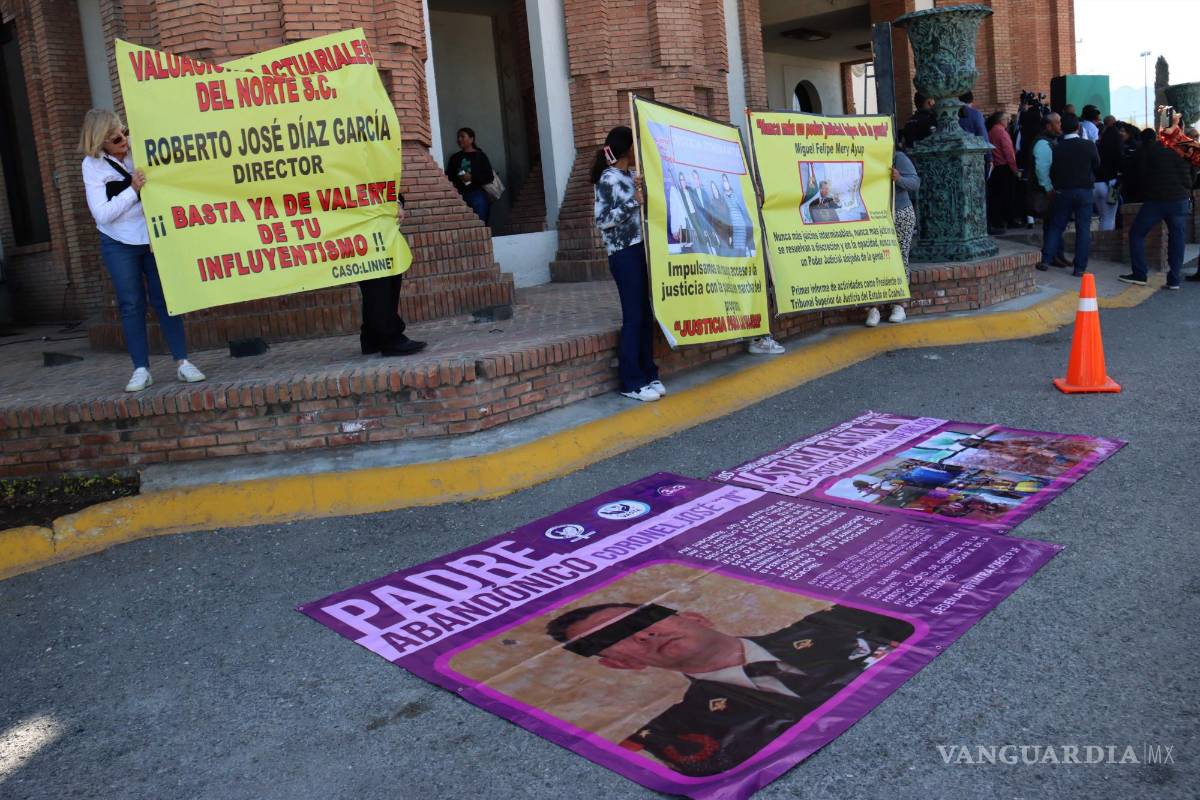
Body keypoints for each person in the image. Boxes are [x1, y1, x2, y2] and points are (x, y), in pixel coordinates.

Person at [547, 601, 913, 777]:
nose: (643, 634)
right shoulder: (680, 732)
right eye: (614, 639)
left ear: (694, 617)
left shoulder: (842, 622)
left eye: (643, 620)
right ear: (620, 664)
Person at [80, 109, 205, 392]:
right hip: (118, 242)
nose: (124, 139)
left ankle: (183, 362)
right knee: (132, 303)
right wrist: (132, 190)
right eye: (116, 138)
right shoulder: (92, 165)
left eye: (124, 131)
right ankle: (140, 368)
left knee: (166, 300)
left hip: (152, 236)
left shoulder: (140, 145)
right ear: (100, 142)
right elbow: (101, 214)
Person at [591, 126, 664, 402]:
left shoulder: (631, 176)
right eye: (635, 146)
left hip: (642, 249)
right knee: (633, 316)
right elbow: (602, 220)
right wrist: (632, 203)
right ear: (627, 150)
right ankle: (630, 380)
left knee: (646, 314)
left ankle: (648, 372)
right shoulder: (608, 179)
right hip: (623, 253)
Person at [1118, 112, 1197, 290]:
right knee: (1177, 238)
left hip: (1156, 200)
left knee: (1137, 234)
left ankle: (1140, 274)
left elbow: (1142, 174)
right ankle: (1174, 279)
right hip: (1179, 200)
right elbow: (1192, 178)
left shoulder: (1152, 148)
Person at [357, 196, 426, 356]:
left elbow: (388, 184)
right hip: (362, 226)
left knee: (389, 280)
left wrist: (396, 203)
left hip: (383, 227)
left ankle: (371, 337)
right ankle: (390, 338)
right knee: (377, 283)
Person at [1038, 114, 1100, 276]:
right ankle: (1079, 268)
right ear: (1078, 128)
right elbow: (1097, 164)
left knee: (1056, 226)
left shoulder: (1056, 147)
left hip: (1063, 191)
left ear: (1062, 129)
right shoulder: (1089, 145)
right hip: (1085, 191)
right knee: (1083, 229)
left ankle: (1046, 260)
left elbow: (1052, 170)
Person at [865, 147, 919, 327]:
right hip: (875, 216)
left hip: (900, 212)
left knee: (899, 257)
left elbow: (915, 182)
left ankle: (899, 304)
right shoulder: (864, 156)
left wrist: (899, 178)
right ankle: (875, 307)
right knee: (875, 260)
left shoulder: (898, 157)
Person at [1031, 112, 1070, 269]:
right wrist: (1048, 189)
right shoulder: (1042, 143)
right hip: (1046, 191)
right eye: (1058, 122)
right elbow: (1042, 169)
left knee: (1053, 224)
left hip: (1050, 190)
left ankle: (1057, 255)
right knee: (1053, 224)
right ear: (1049, 125)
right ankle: (1052, 256)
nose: (1060, 125)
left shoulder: (1050, 141)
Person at [445, 127, 494, 223]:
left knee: (479, 224)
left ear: (471, 139)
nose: (459, 139)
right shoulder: (455, 158)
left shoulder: (480, 156)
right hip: (458, 196)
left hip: (477, 195)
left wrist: (472, 177)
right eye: (458, 137)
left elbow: (489, 177)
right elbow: (448, 176)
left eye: (462, 136)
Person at [987, 111, 1020, 230]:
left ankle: (997, 220)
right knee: (1008, 196)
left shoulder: (991, 132)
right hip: (1004, 167)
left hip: (995, 168)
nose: (1008, 121)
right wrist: (1014, 169)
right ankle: (1009, 220)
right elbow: (1008, 152)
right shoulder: (1002, 133)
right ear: (1001, 121)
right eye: (1006, 119)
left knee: (997, 196)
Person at [1094, 121, 1123, 231]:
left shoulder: (1097, 147)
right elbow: (1121, 167)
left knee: (1103, 217)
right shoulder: (1117, 150)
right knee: (1110, 218)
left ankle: (1101, 243)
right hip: (1111, 186)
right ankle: (1105, 245)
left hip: (1096, 185)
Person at [721, 173, 754, 257]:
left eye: (726, 181)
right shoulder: (723, 197)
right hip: (733, 227)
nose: (725, 183)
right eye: (723, 181)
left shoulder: (736, 194)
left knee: (742, 248)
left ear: (729, 182)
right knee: (736, 250)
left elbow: (742, 209)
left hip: (741, 224)